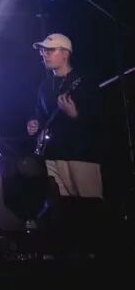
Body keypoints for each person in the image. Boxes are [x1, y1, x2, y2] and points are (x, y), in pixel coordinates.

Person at [26, 33, 103, 198]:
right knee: (60, 205)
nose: (45, 54)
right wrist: (34, 123)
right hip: (52, 155)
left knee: (89, 204)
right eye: (43, 51)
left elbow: (101, 117)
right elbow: (39, 113)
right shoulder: (45, 86)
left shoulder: (84, 81)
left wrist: (75, 114)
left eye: (50, 50)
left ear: (65, 53)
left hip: (81, 156)